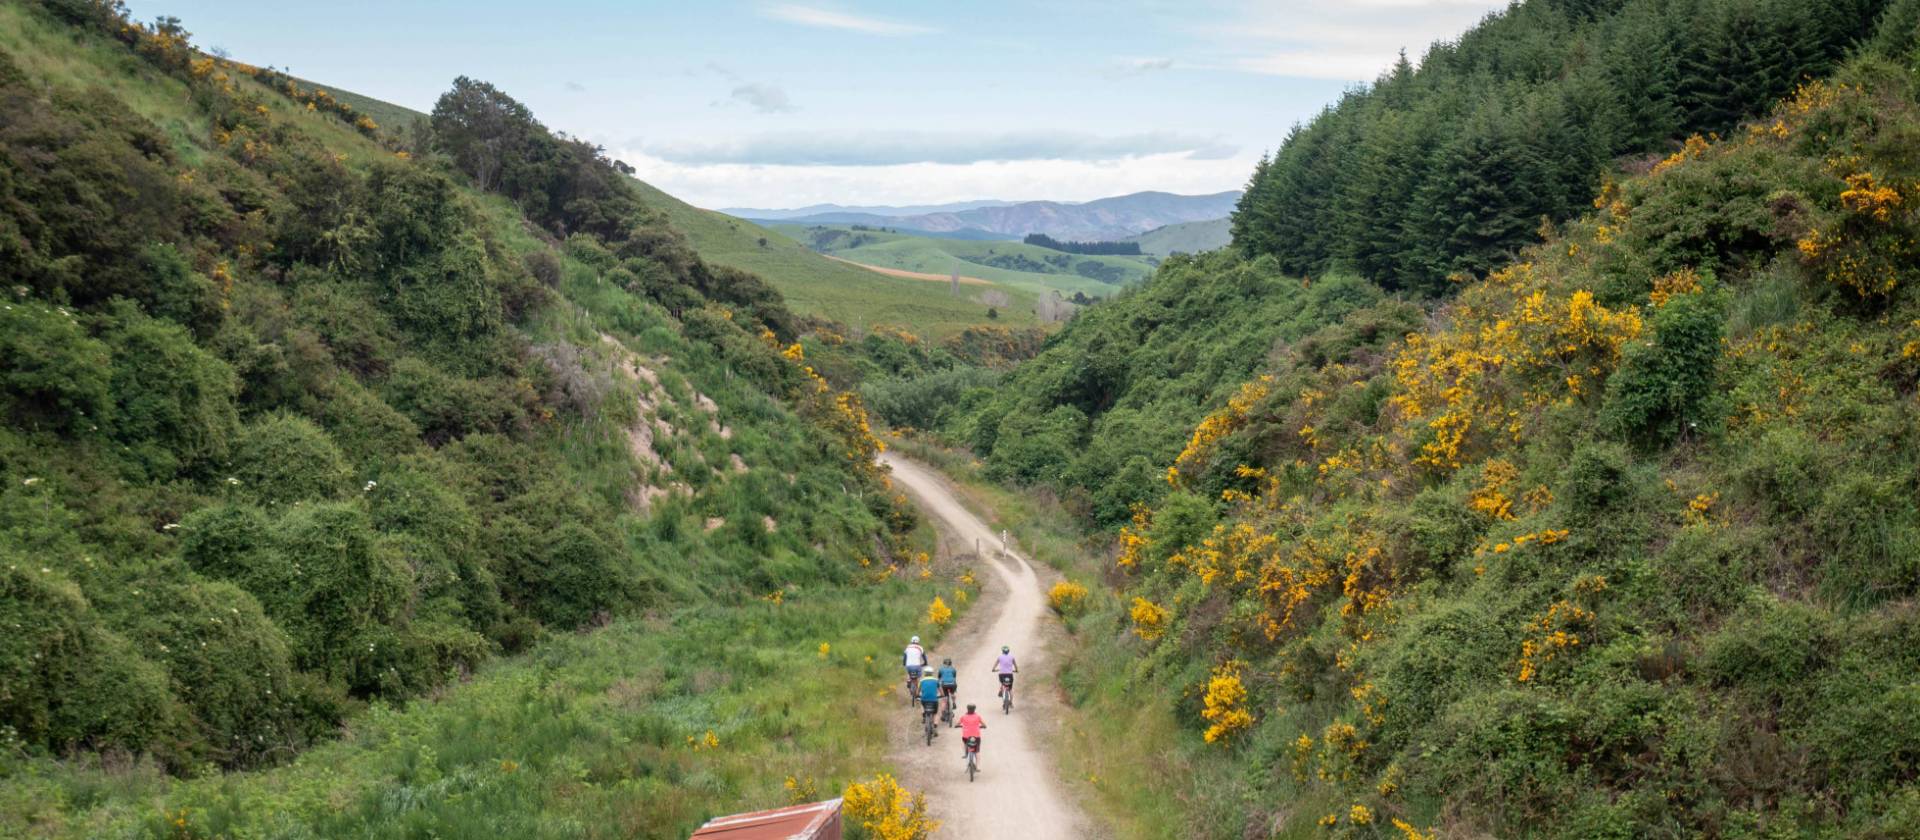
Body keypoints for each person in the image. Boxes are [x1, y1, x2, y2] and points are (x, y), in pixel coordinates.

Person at [917, 667, 943, 735]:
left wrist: (917, 695)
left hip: (924, 700)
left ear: (925, 673)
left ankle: (924, 715)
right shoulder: (936, 680)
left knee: (921, 704)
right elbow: (941, 691)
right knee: (936, 712)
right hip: (934, 700)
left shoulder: (921, 681)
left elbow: (918, 691)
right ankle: (935, 725)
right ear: (932, 673)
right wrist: (942, 695)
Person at [903, 635, 926, 700]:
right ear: (918, 641)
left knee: (909, 673)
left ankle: (909, 680)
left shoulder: (907, 647)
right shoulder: (920, 647)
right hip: (917, 665)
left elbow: (904, 657)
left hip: (909, 665)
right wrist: (925, 663)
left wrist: (904, 664)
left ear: (911, 641)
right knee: (917, 678)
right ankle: (917, 695)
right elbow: (924, 657)